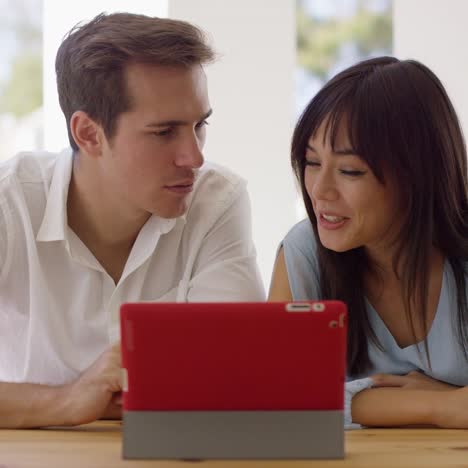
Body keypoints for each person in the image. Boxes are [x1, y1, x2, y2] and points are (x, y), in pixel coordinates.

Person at [0, 12, 265, 428]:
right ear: (88, 134)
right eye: (164, 133)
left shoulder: (218, 201)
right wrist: (68, 401)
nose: (194, 157)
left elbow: (234, 375)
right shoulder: (8, 203)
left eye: (200, 126)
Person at [269, 56, 468, 429]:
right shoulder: (304, 252)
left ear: (417, 174)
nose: (320, 191)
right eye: (312, 162)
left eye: (350, 171)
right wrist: (440, 405)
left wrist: (359, 400)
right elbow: (282, 399)